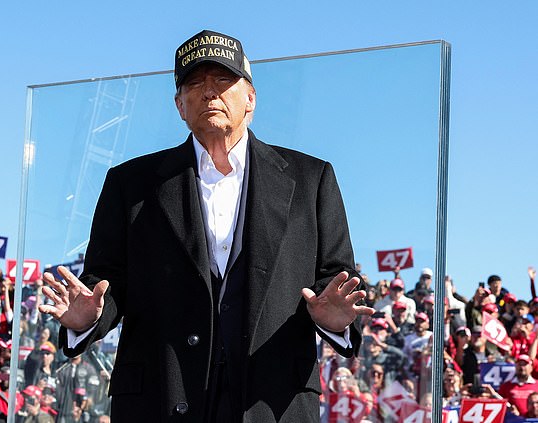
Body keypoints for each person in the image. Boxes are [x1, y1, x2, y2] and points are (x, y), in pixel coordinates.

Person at [39, 29, 373, 422]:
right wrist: (89, 319)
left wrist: (334, 321)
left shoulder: (312, 178)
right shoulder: (130, 183)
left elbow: (335, 278)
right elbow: (107, 282)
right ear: (180, 105)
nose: (209, 92)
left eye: (223, 81)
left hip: (272, 401)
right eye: (194, 83)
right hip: (160, 399)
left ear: (250, 99)